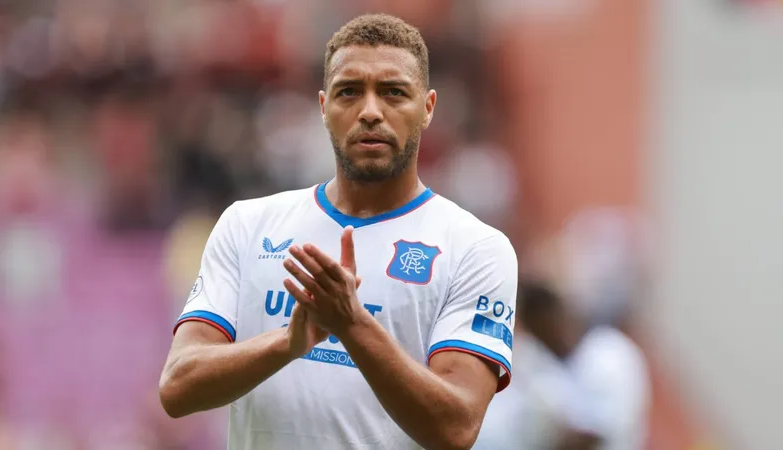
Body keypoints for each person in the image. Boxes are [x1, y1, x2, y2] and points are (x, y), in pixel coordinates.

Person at [159, 13, 518, 450]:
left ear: (427, 108)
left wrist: (352, 324)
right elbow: (177, 387)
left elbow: (456, 429)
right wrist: (288, 344)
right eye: (349, 91)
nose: (370, 112)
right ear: (324, 107)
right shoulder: (247, 225)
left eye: (393, 92)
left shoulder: (476, 248)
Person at [475, 280, 649, 450]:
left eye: (534, 329)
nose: (534, 340)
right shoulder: (547, 364)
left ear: (550, 317)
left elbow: (593, 436)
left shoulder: (608, 353)